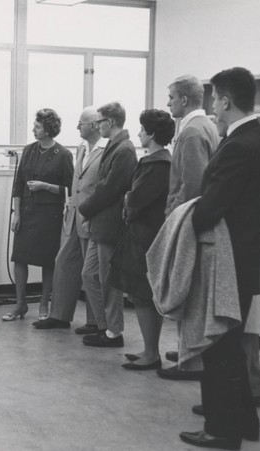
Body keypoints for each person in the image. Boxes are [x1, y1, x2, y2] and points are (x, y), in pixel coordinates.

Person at [179, 67, 260, 450]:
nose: (212, 109)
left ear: (225, 100)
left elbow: (210, 208)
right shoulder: (257, 139)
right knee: (230, 347)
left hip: (226, 265)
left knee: (218, 347)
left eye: (214, 100)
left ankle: (222, 431)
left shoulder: (238, 146)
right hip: (241, 262)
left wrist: (186, 218)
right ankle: (244, 422)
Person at [159, 74, 220, 381]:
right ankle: (188, 350)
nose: (168, 103)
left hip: (188, 222)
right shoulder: (205, 125)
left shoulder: (194, 131)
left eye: (170, 97)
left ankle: (191, 360)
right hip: (196, 221)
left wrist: (174, 214)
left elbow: (193, 184)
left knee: (189, 291)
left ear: (184, 99)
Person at [109, 109, 174, 370]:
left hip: (145, 236)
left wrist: (127, 199)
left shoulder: (157, 164)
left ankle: (151, 353)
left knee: (142, 295)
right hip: (145, 233)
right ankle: (150, 349)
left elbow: (135, 199)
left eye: (142, 129)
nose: (138, 133)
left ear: (152, 134)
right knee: (143, 295)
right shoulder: (157, 161)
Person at [32, 106, 102, 333]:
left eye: (81, 123)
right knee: (63, 262)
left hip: (91, 217)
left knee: (91, 272)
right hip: (74, 215)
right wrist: (69, 204)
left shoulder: (105, 149)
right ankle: (59, 316)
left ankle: (95, 322)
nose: (77, 127)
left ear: (93, 125)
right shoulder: (82, 148)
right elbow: (76, 181)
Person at [76, 102, 137, 348]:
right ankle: (105, 327)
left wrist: (85, 208)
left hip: (109, 224)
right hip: (100, 223)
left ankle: (113, 332)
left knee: (109, 280)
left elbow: (110, 189)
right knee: (89, 274)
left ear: (110, 122)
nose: (97, 124)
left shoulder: (123, 149)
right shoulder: (115, 146)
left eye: (100, 121)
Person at [4, 109, 73, 321]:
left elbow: (70, 189)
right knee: (20, 258)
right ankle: (20, 304)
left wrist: (46, 186)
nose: (33, 129)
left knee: (47, 261)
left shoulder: (63, 155)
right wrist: (16, 214)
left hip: (49, 215)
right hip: (26, 212)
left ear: (48, 130)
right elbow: (18, 185)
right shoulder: (29, 150)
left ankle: (44, 303)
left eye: (38, 126)